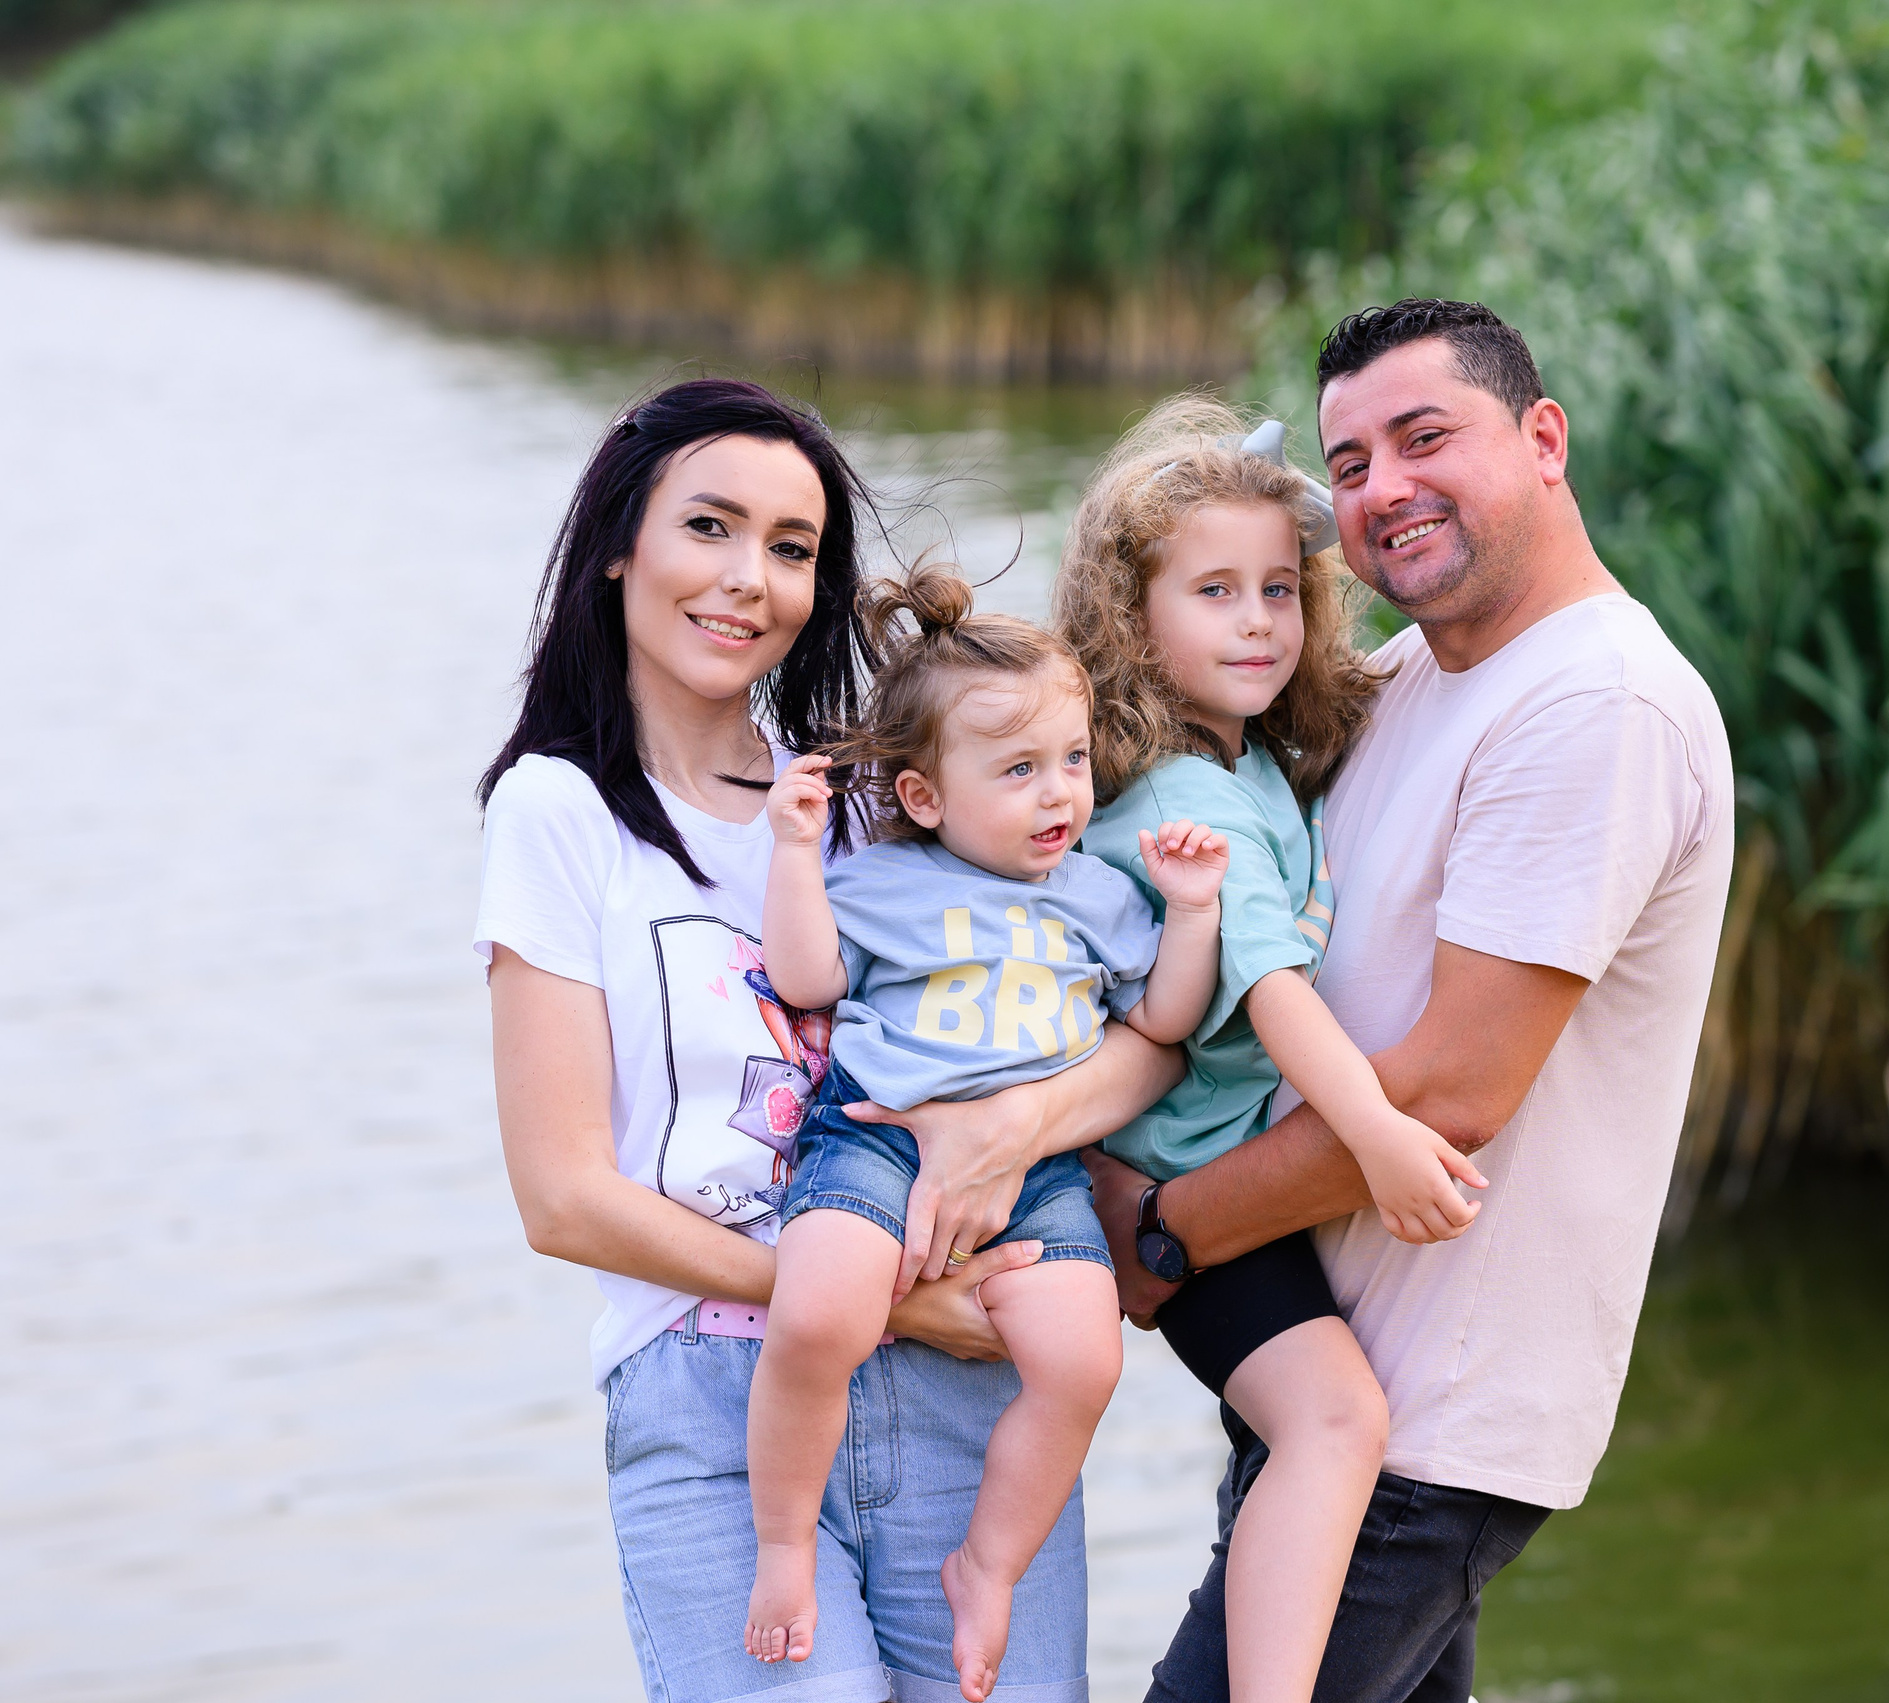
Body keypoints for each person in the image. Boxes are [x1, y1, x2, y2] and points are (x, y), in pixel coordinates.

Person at [476, 377, 1180, 1703]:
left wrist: (1016, 1132)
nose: (749, 577)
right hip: (719, 1388)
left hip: (958, 1381)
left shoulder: (873, 794)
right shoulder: (557, 812)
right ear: (621, 539)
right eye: (710, 527)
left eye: (792, 547)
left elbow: (1127, 1034)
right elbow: (562, 1195)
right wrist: (872, 1295)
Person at [1085, 301, 1739, 1703]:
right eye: (1352, 458)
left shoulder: (1594, 702)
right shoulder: (1393, 680)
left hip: (1428, 1424)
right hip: (1323, 1377)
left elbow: (1449, 1091)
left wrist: (1160, 1231)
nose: (1384, 486)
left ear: (1544, 437)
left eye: (1425, 436)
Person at [1049, 397, 1487, 1703]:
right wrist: (1383, 1135)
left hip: (1232, 1174)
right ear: (1134, 621)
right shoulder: (1185, 794)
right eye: (1216, 591)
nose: (1258, 620)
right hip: (1191, 1187)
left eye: (1281, 590)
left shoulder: (1245, 764)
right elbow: (1279, 994)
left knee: (1305, 1443)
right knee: (1335, 1417)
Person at [744, 565, 1230, 1697]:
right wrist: (792, 856)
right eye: (1018, 771)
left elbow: (1160, 1019)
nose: (1059, 793)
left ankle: (989, 1564)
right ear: (923, 796)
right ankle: (781, 1543)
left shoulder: (1099, 898)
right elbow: (806, 979)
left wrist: (1193, 911)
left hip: (1044, 1171)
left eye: (1070, 760)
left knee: (1081, 1356)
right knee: (818, 1309)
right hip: (872, 1135)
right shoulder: (882, 881)